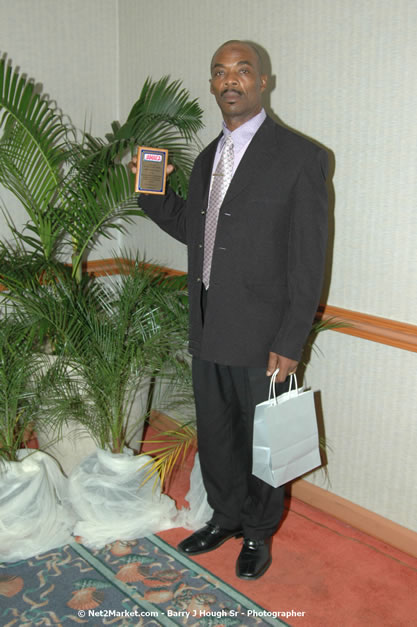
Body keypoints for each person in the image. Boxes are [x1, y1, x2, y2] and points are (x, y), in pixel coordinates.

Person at [131, 40, 328, 580]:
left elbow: (308, 262)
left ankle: (259, 534)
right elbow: (198, 232)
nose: (230, 80)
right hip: (209, 324)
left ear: (263, 81)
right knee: (217, 432)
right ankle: (224, 516)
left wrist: (291, 342)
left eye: (243, 70)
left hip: (266, 336)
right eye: (220, 72)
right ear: (213, 84)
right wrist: (150, 187)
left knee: (264, 443)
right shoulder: (207, 160)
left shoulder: (300, 156)